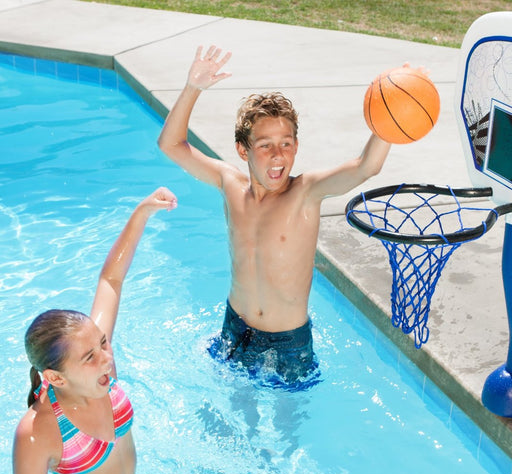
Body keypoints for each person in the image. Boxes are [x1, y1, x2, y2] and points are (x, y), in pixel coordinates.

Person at [157, 45, 392, 388]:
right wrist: (193, 87)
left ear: (296, 146)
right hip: (235, 328)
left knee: (286, 429)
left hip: (288, 342)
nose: (278, 154)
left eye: (286, 143)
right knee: (235, 415)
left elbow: (366, 166)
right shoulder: (230, 184)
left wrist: (390, 114)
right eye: (265, 145)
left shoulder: (305, 194)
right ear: (243, 150)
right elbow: (170, 145)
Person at [12, 187, 177, 474]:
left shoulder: (103, 373)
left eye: (102, 344)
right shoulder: (38, 431)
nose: (107, 358)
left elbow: (110, 280)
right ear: (55, 377)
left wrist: (141, 213)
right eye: (90, 356)